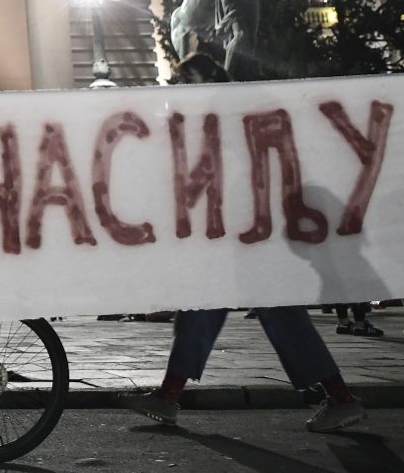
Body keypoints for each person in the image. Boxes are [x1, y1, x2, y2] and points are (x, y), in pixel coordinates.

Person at [124, 52, 366, 434]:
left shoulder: (230, 112)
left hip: (254, 237)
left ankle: (341, 398)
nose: (183, 87)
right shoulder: (231, 112)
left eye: (186, 79)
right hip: (245, 236)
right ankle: (169, 396)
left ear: (203, 77)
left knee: (271, 316)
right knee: (208, 310)